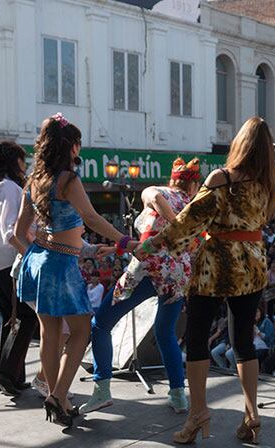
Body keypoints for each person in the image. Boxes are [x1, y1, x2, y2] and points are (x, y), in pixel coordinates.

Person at [136, 117, 275, 445]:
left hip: (216, 265)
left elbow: (188, 222)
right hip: (253, 264)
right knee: (243, 340)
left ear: (239, 144)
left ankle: (197, 413)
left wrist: (151, 244)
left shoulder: (221, 179)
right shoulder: (266, 185)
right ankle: (251, 414)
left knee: (197, 338)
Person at [16, 113, 136, 427]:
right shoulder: (68, 179)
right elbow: (92, 218)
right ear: (71, 146)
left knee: (50, 336)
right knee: (82, 332)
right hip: (58, 266)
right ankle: (58, 396)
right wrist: (124, 240)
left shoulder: (34, 180)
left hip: (39, 261)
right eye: (78, 142)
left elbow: (18, 233)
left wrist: (76, 249)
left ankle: (59, 398)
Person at [81, 157, 201, 415]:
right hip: (176, 277)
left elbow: (156, 200)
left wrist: (174, 224)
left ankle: (102, 390)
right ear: (193, 185)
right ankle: (178, 395)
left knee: (101, 323)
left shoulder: (156, 190)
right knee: (165, 332)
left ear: (172, 179)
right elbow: (156, 239)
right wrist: (180, 226)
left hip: (147, 270)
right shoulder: (192, 205)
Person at [0, 141, 38, 396]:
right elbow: (11, 231)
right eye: (23, 159)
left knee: (12, 319)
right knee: (26, 317)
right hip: (7, 262)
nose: (26, 164)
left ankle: (13, 375)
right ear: (13, 162)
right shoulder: (8, 187)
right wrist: (32, 255)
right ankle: (5, 372)